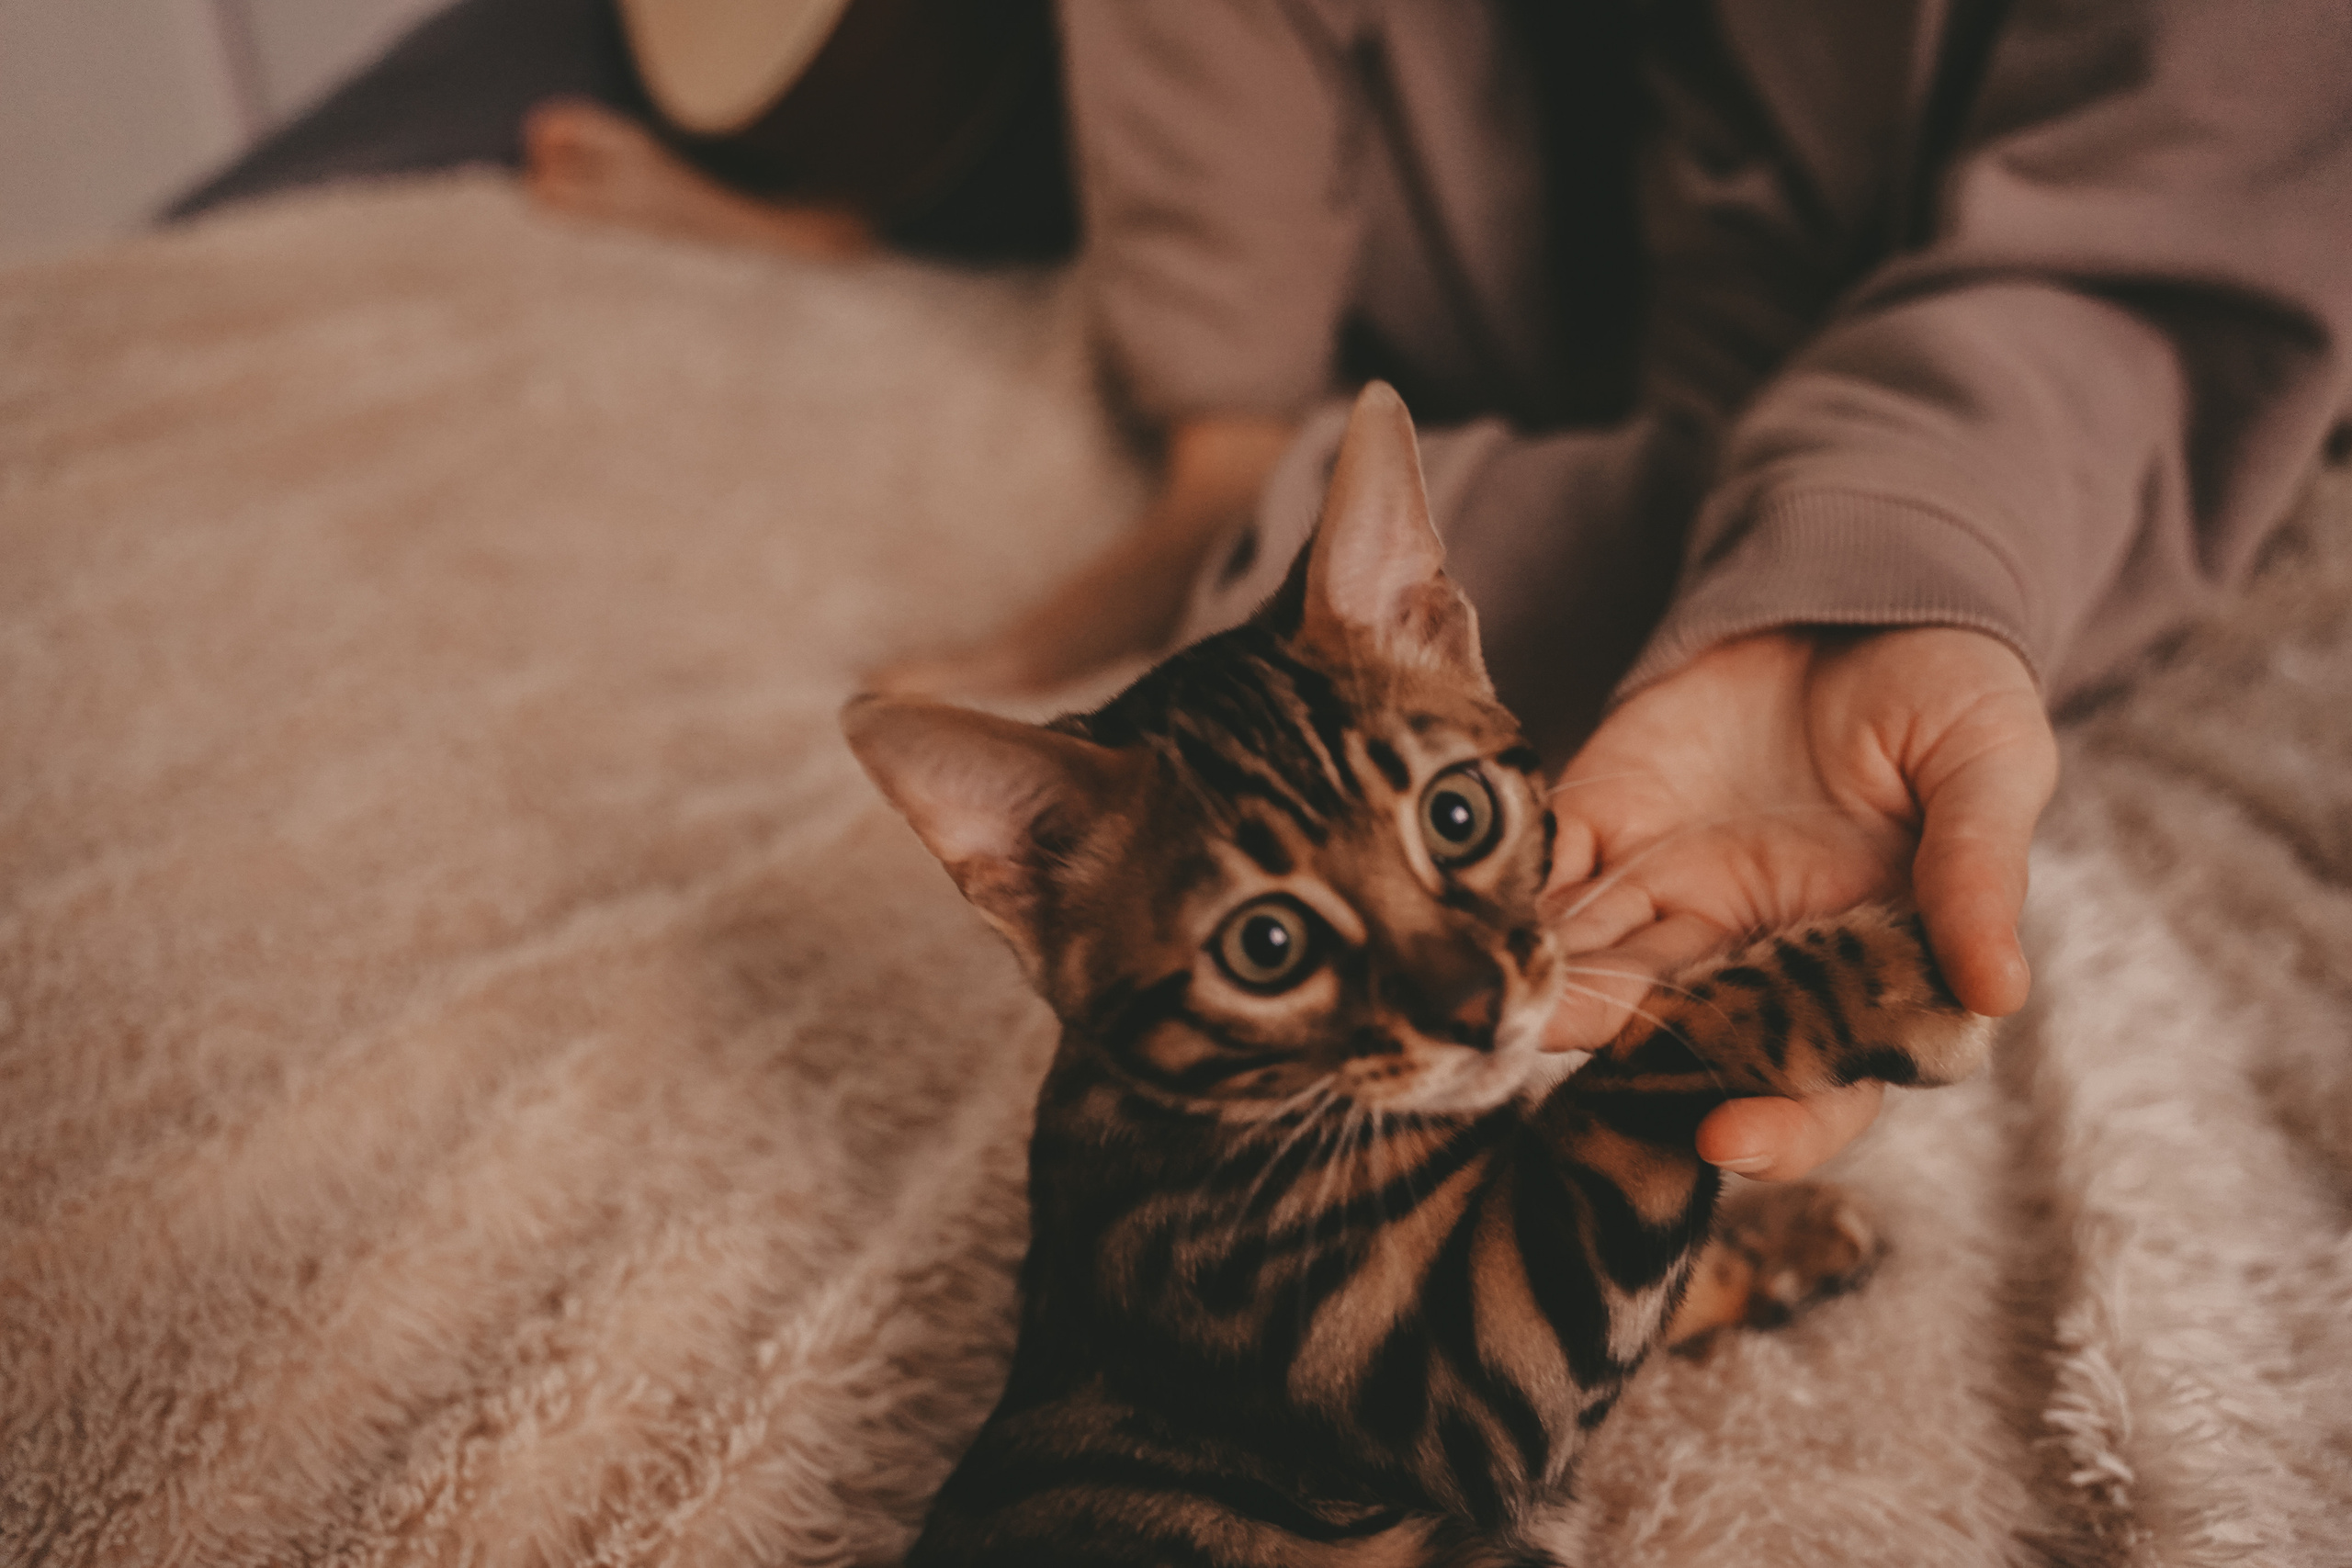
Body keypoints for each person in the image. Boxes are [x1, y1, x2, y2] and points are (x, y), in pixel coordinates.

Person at [876, 0, 2352, 1183]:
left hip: (1941, 309)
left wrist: (1873, 577)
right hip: (1548, 208)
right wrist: (1228, 419)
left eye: (1456, 826)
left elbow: (2168, 239)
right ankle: (1219, 460)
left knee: (1782, 540)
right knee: (1273, 567)